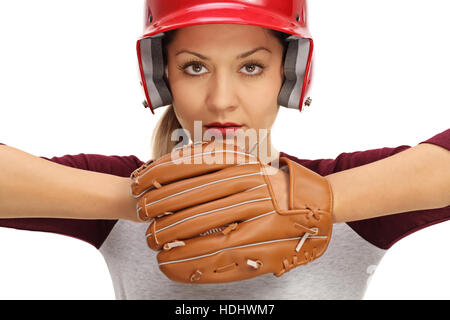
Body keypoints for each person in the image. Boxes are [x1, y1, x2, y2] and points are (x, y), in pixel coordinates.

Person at [0, 0, 449, 300]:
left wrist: (310, 201)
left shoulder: (355, 188)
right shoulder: (119, 185)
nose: (220, 100)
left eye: (251, 67)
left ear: (289, 78)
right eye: (194, 67)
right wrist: (151, 201)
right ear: (163, 80)